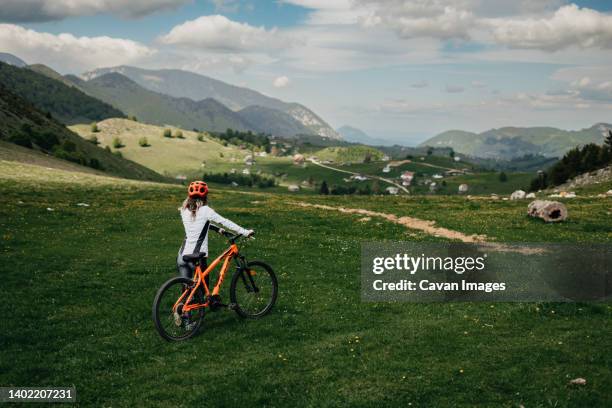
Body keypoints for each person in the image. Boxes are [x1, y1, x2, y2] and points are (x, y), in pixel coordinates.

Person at [177, 180, 253, 305]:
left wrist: (218, 230)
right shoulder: (206, 210)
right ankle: (195, 318)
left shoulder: (184, 210)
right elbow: (225, 221)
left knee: (187, 290)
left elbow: (199, 224)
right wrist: (245, 232)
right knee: (201, 294)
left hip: (182, 256)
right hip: (197, 256)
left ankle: (182, 315)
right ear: (205, 196)